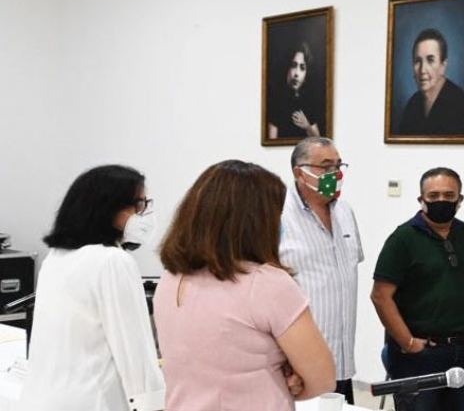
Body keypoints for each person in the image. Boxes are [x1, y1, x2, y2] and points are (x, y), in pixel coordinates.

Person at [153, 160, 335, 410]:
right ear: (256, 222)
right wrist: (290, 378)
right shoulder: (267, 284)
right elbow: (323, 377)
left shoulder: (170, 279)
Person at [19, 165, 165, 410]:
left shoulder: (55, 258)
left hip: (42, 399)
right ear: (107, 208)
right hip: (94, 401)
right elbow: (134, 349)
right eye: (139, 205)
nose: (143, 214)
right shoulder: (113, 261)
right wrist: (153, 404)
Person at [371, 167, 464, 411]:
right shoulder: (403, 239)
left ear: (460, 199)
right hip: (421, 353)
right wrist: (408, 342)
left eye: (449, 196)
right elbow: (380, 296)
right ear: (421, 199)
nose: (441, 201)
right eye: (433, 195)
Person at [279, 136, 364, 403]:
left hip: (342, 360)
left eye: (338, 166)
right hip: (298, 364)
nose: (335, 174)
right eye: (326, 166)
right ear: (299, 173)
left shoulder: (345, 212)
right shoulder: (276, 215)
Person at [397, 28, 464, 136]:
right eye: (417, 61)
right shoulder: (412, 104)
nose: (422, 70)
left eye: (430, 60)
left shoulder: (458, 103)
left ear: (443, 66)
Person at [267, 42, 325, 139]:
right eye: (293, 65)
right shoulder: (276, 99)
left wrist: (307, 127)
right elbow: (271, 140)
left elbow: (318, 141)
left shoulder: (309, 101)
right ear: (286, 68)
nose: (297, 73)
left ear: (306, 74)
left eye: (302, 68)